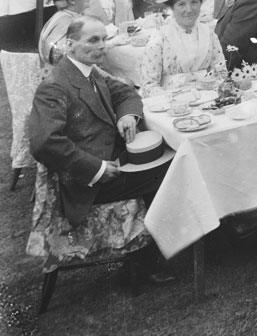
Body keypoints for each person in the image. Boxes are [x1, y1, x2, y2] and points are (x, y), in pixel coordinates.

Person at [29, 16, 163, 225]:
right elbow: (44, 142)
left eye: (103, 39)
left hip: (115, 157)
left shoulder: (88, 69)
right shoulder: (54, 86)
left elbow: (125, 93)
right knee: (167, 172)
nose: (102, 46)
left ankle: (162, 234)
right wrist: (96, 169)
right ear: (70, 45)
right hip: (90, 181)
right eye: (93, 40)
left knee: (168, 155)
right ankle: (171, 240)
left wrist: (127, 115)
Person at [141, 0, 226, 94]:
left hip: (208, 97)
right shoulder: (160, 37)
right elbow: (149, 85)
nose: (189, 9)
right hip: (173, 103)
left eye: (194, 2)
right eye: (181, 4)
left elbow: (221, 72)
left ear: (201, 4)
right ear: (172, 8)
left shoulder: (209, 33)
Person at [38, 0, 94, 67]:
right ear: (72, 0)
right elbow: (59, 54)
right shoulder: (65, 21)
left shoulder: (70, 16)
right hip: (62, 76)